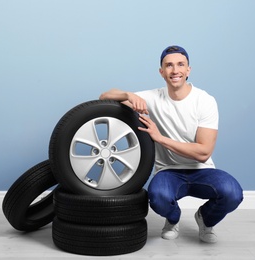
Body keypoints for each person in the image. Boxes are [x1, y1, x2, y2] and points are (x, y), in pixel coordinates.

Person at [99, 45, 243, 243]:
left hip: (202, 170)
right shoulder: (152, 98)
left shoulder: (205, 101)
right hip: (168, 171)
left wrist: (160, 138)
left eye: (180, 65)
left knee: (233, 193)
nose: (175, 70)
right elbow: (104, 97)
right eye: (169, 65)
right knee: (158, 197)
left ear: (188, 70)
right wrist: (128, 95)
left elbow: (203, 152)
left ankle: (205, 220)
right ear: (161, 72)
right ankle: (173, 220)